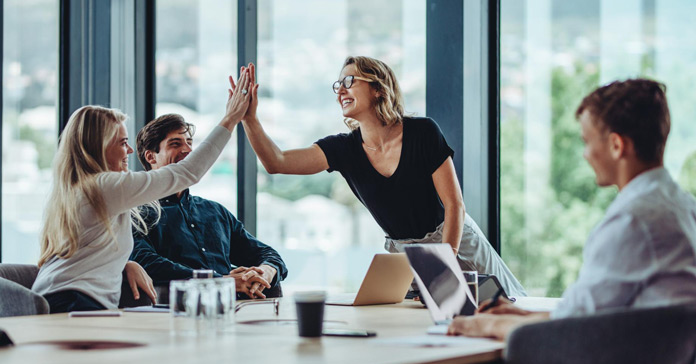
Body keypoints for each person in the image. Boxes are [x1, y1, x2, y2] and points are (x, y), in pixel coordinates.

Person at [236, 56, 526, 297]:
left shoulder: (423, 132)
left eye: (350, 81)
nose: (340, 90)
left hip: (454, 240)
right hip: (404, 256)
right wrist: (249, 119)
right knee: (423, 327)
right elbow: (277, 162)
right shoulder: (343, 149)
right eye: (338, 84)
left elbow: (455, 206)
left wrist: (443, 262)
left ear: (377, 88)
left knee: (508, 307)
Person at [448, 78, 696, 340]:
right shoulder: (682, 207)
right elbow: (587, 312)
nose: (585, 154)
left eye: (587, 142)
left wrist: (485, 326)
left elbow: (573, 329)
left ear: (616, 145)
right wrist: (521, 315)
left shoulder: (633, 220)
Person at [31, 67, 253, 313]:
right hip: (74, 303)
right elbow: (187, 172)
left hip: (58, 298)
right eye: (122, 142)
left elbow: (86, 251)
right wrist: (230, 119)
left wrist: (126, 263)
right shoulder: (103, 186)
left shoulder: (77, 189)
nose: (129, 151)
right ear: (99, 146)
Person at [130, 114, 288, 299]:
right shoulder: (137, 213)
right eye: (175, 144)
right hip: (178, 312)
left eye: (189, 142)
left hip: (237, 311)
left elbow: (268, 254)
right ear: (151, 157)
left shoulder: (215, 211)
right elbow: (146, 262)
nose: (188, 150)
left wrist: (265, 272)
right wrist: (220, 281)